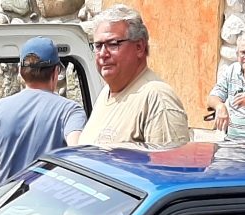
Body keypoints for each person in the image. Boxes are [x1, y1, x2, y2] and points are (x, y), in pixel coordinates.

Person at [0, 37, 86, 192]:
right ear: (56, 72)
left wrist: (3, 197)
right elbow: (79, 155)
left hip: (8, 205)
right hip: (51, 204)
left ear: (21, 72)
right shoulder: (70, 111)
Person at [77, 4, 189, 148]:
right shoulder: (106, 93)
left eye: (113, 44)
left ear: (139, 47)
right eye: (98, 46)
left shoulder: (156, 98)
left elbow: (171, 161)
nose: (103, 54)